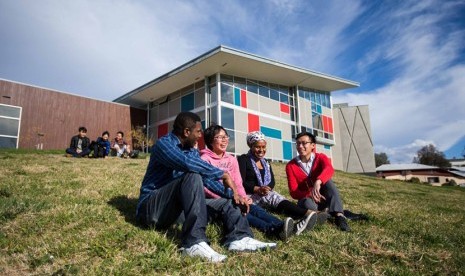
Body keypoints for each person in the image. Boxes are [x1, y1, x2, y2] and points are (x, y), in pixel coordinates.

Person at [136, 112, 276, 263]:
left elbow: (206, 180)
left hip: (176, 211)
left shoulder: (191, 151)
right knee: (192, 174)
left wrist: (234, 195)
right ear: (186, 132)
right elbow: (187, 164)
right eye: (198, 131)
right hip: (152, 210)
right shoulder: (163, 145)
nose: (201, 135)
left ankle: (239, 238)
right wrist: (223, 174)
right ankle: (193, 243)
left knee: (226, 201)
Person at [200, 125, 294, 241]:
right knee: (243, 213)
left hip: (236, 196)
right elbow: (206, 187)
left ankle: (282, 225)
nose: (225, 140)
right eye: (220, 137)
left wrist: (243, 197)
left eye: (226, 136)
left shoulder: (231, 159)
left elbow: (238, 182)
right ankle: (272, 230)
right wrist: (232, 197)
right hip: (220, 200)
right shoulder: (204, 159)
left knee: (254, 208)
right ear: (210, 140)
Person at [237, 131, 323, 235]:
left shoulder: (266, 162)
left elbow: (272, 181)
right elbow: (240, 181)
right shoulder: (243, 159)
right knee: (263, 206)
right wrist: (257, 189)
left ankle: (309, 214)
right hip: (250, 194)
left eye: (263, 147)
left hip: (265, 193)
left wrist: (267, 188)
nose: (261, 150)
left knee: (278, 199)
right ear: (251, 146)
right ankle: (290, 223)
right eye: (257, 147)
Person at [286, 131, 350, 232]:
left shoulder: (320, 157)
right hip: (309, 200)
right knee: (306, 203)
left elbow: (329, 169)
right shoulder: (291, 166)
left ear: (312, 145)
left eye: (304, 143)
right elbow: (293, 192)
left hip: (325, 197)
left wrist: (318, 181)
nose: (300, 146)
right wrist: (310, 194)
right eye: (298, 143)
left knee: (328, 182)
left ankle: (339, 216)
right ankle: (326, 214)